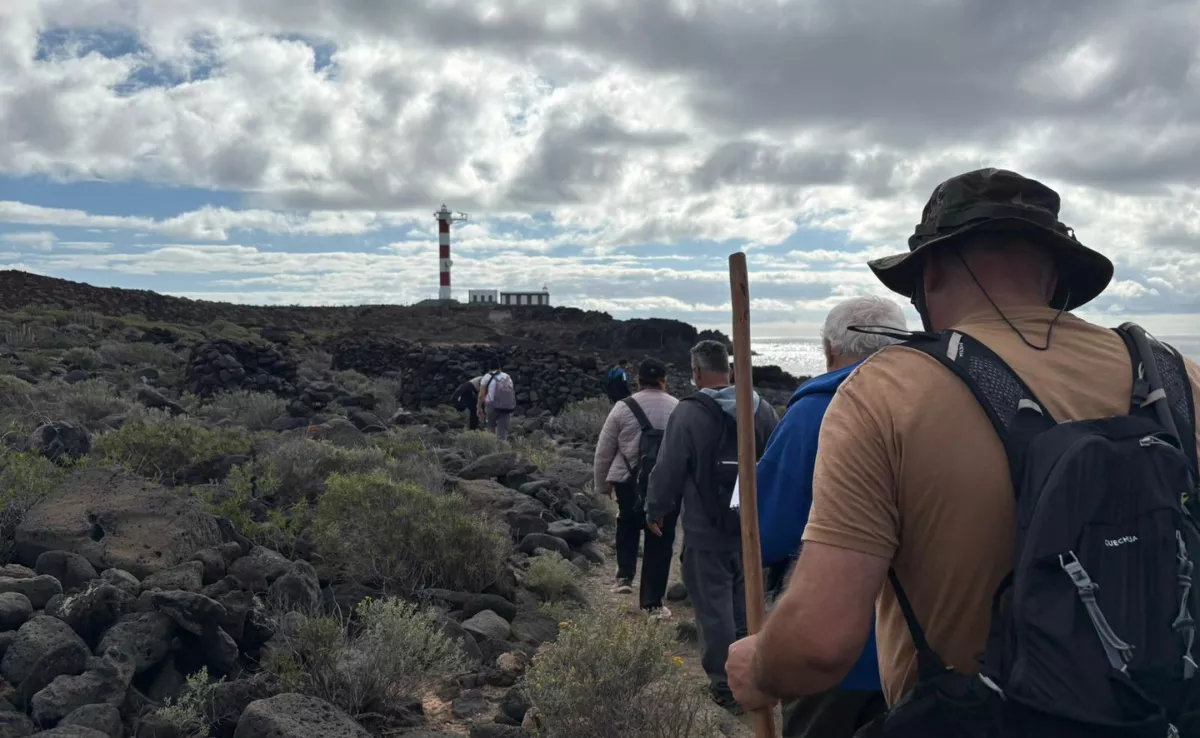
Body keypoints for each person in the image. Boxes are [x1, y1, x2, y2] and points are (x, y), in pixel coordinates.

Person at [725, 169, 1200, 733]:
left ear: (932, 270)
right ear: (1054, 275)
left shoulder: (887, 392)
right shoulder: (1177, 378)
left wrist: (760, 666)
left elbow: (820, 643)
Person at [755, 296, 906, 738]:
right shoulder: (935, 407)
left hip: (836, 657)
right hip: (926, 654)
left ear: (827, 349)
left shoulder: (811, 415)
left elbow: (765, 533)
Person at [646, 339, 779, 712]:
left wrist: (656, 509)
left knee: (713, 610)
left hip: (705, 531)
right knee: (746, 606)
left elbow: (669, 467)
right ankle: (753, 674)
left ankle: (725, 685)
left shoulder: (689, 414)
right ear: (731, 371)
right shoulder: (762, 409)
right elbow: (777, 462)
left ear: (696, 372)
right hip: (752, 529)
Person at [592, 358, 679, 614]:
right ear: (664, 381)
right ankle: (653, 603)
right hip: (666, 485)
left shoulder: (623, 407)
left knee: (628, 523)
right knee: (661, 540)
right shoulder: (678, 407)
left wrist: (601, 484)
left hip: (629, 481)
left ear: (638, 380)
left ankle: (624, 578)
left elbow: (604, 450)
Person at [477, 358, 517, 441]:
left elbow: (481, 395)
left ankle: (491, 447)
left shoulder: (486, 377)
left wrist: (479, 407)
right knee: (503, 429)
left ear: (489, 367)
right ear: (499, 367)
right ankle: (502, 448)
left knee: (490, 426)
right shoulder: (507, 376)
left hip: (491, 407)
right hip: (507, 406)